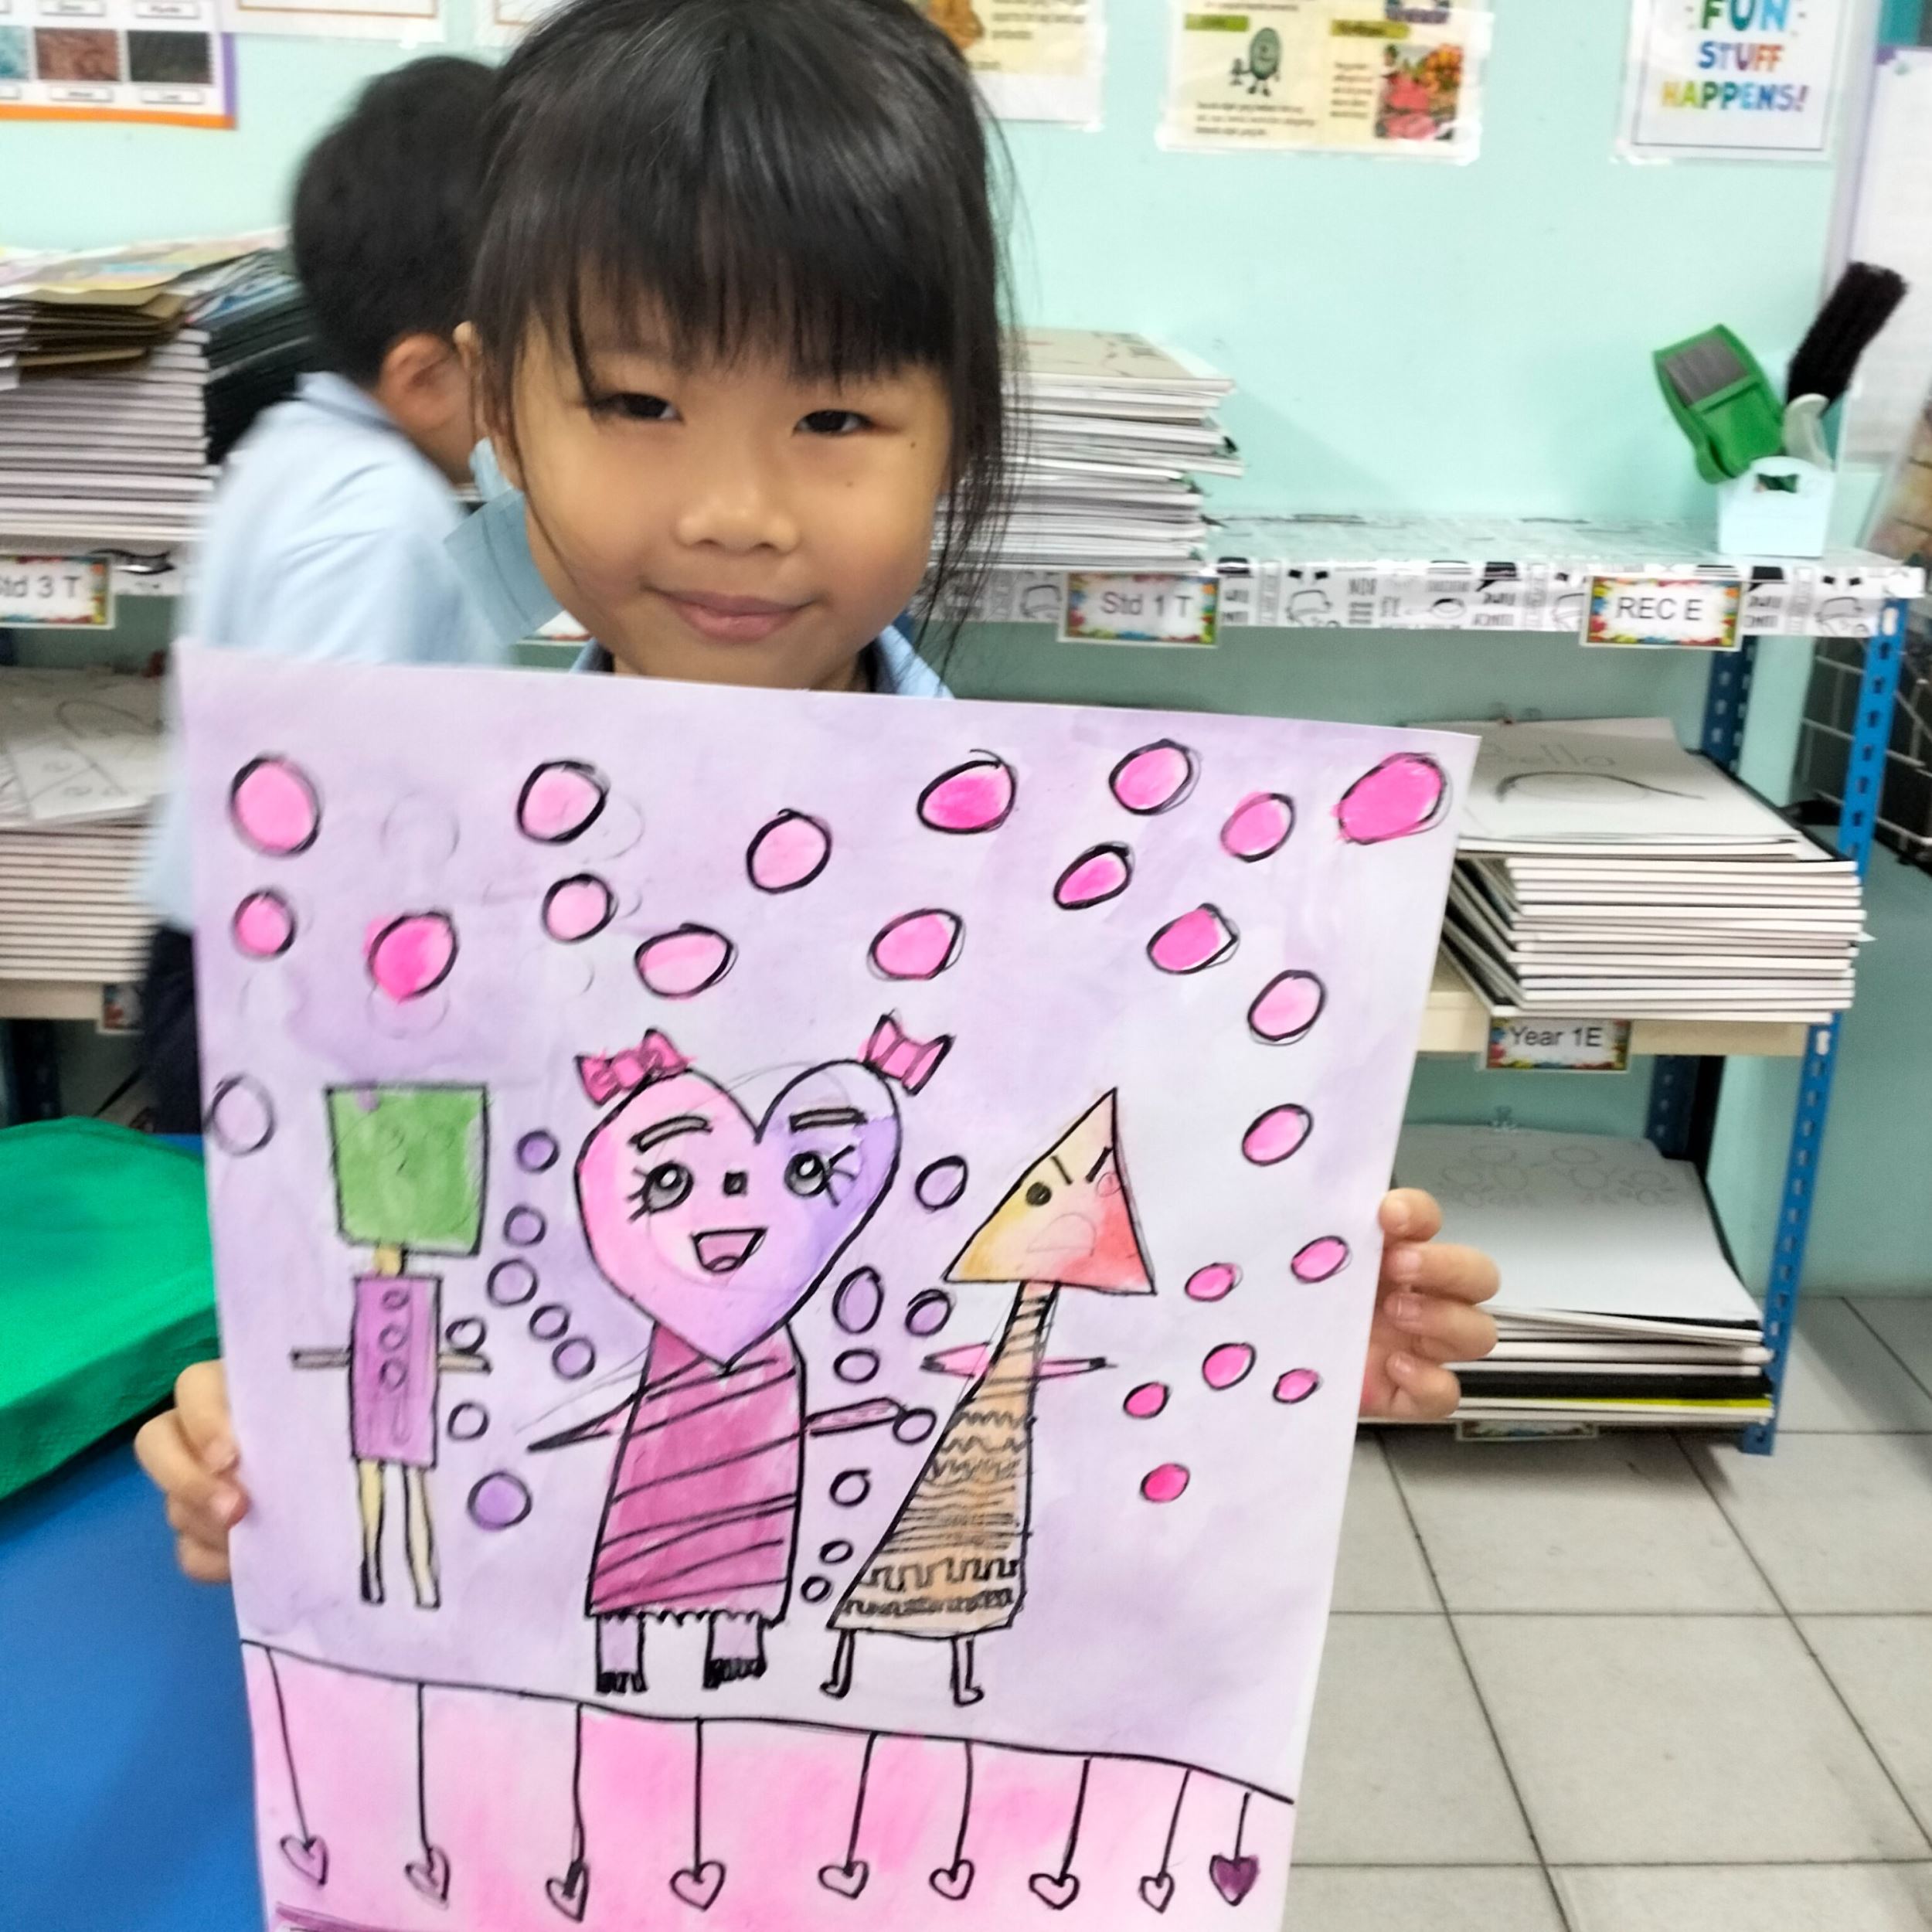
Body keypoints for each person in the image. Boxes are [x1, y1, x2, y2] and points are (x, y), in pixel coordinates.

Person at [138, 0, 1498, 1583]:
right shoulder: (425, 897)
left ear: (957, 432)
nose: (736, 511)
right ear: (500, 402)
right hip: (553, 1650)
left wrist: (1286, 1333)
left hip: (913, 1677)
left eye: (835, 417)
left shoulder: (1093, 917)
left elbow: (1110, 1318)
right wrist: (266, 1447)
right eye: (637, 404)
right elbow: (394, 1279)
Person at [136, 53, 505, 1135]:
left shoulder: (303, 450)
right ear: (427, 377)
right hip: (284, 985)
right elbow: (321, 829)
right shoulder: (375, 524)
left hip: (231, 950)